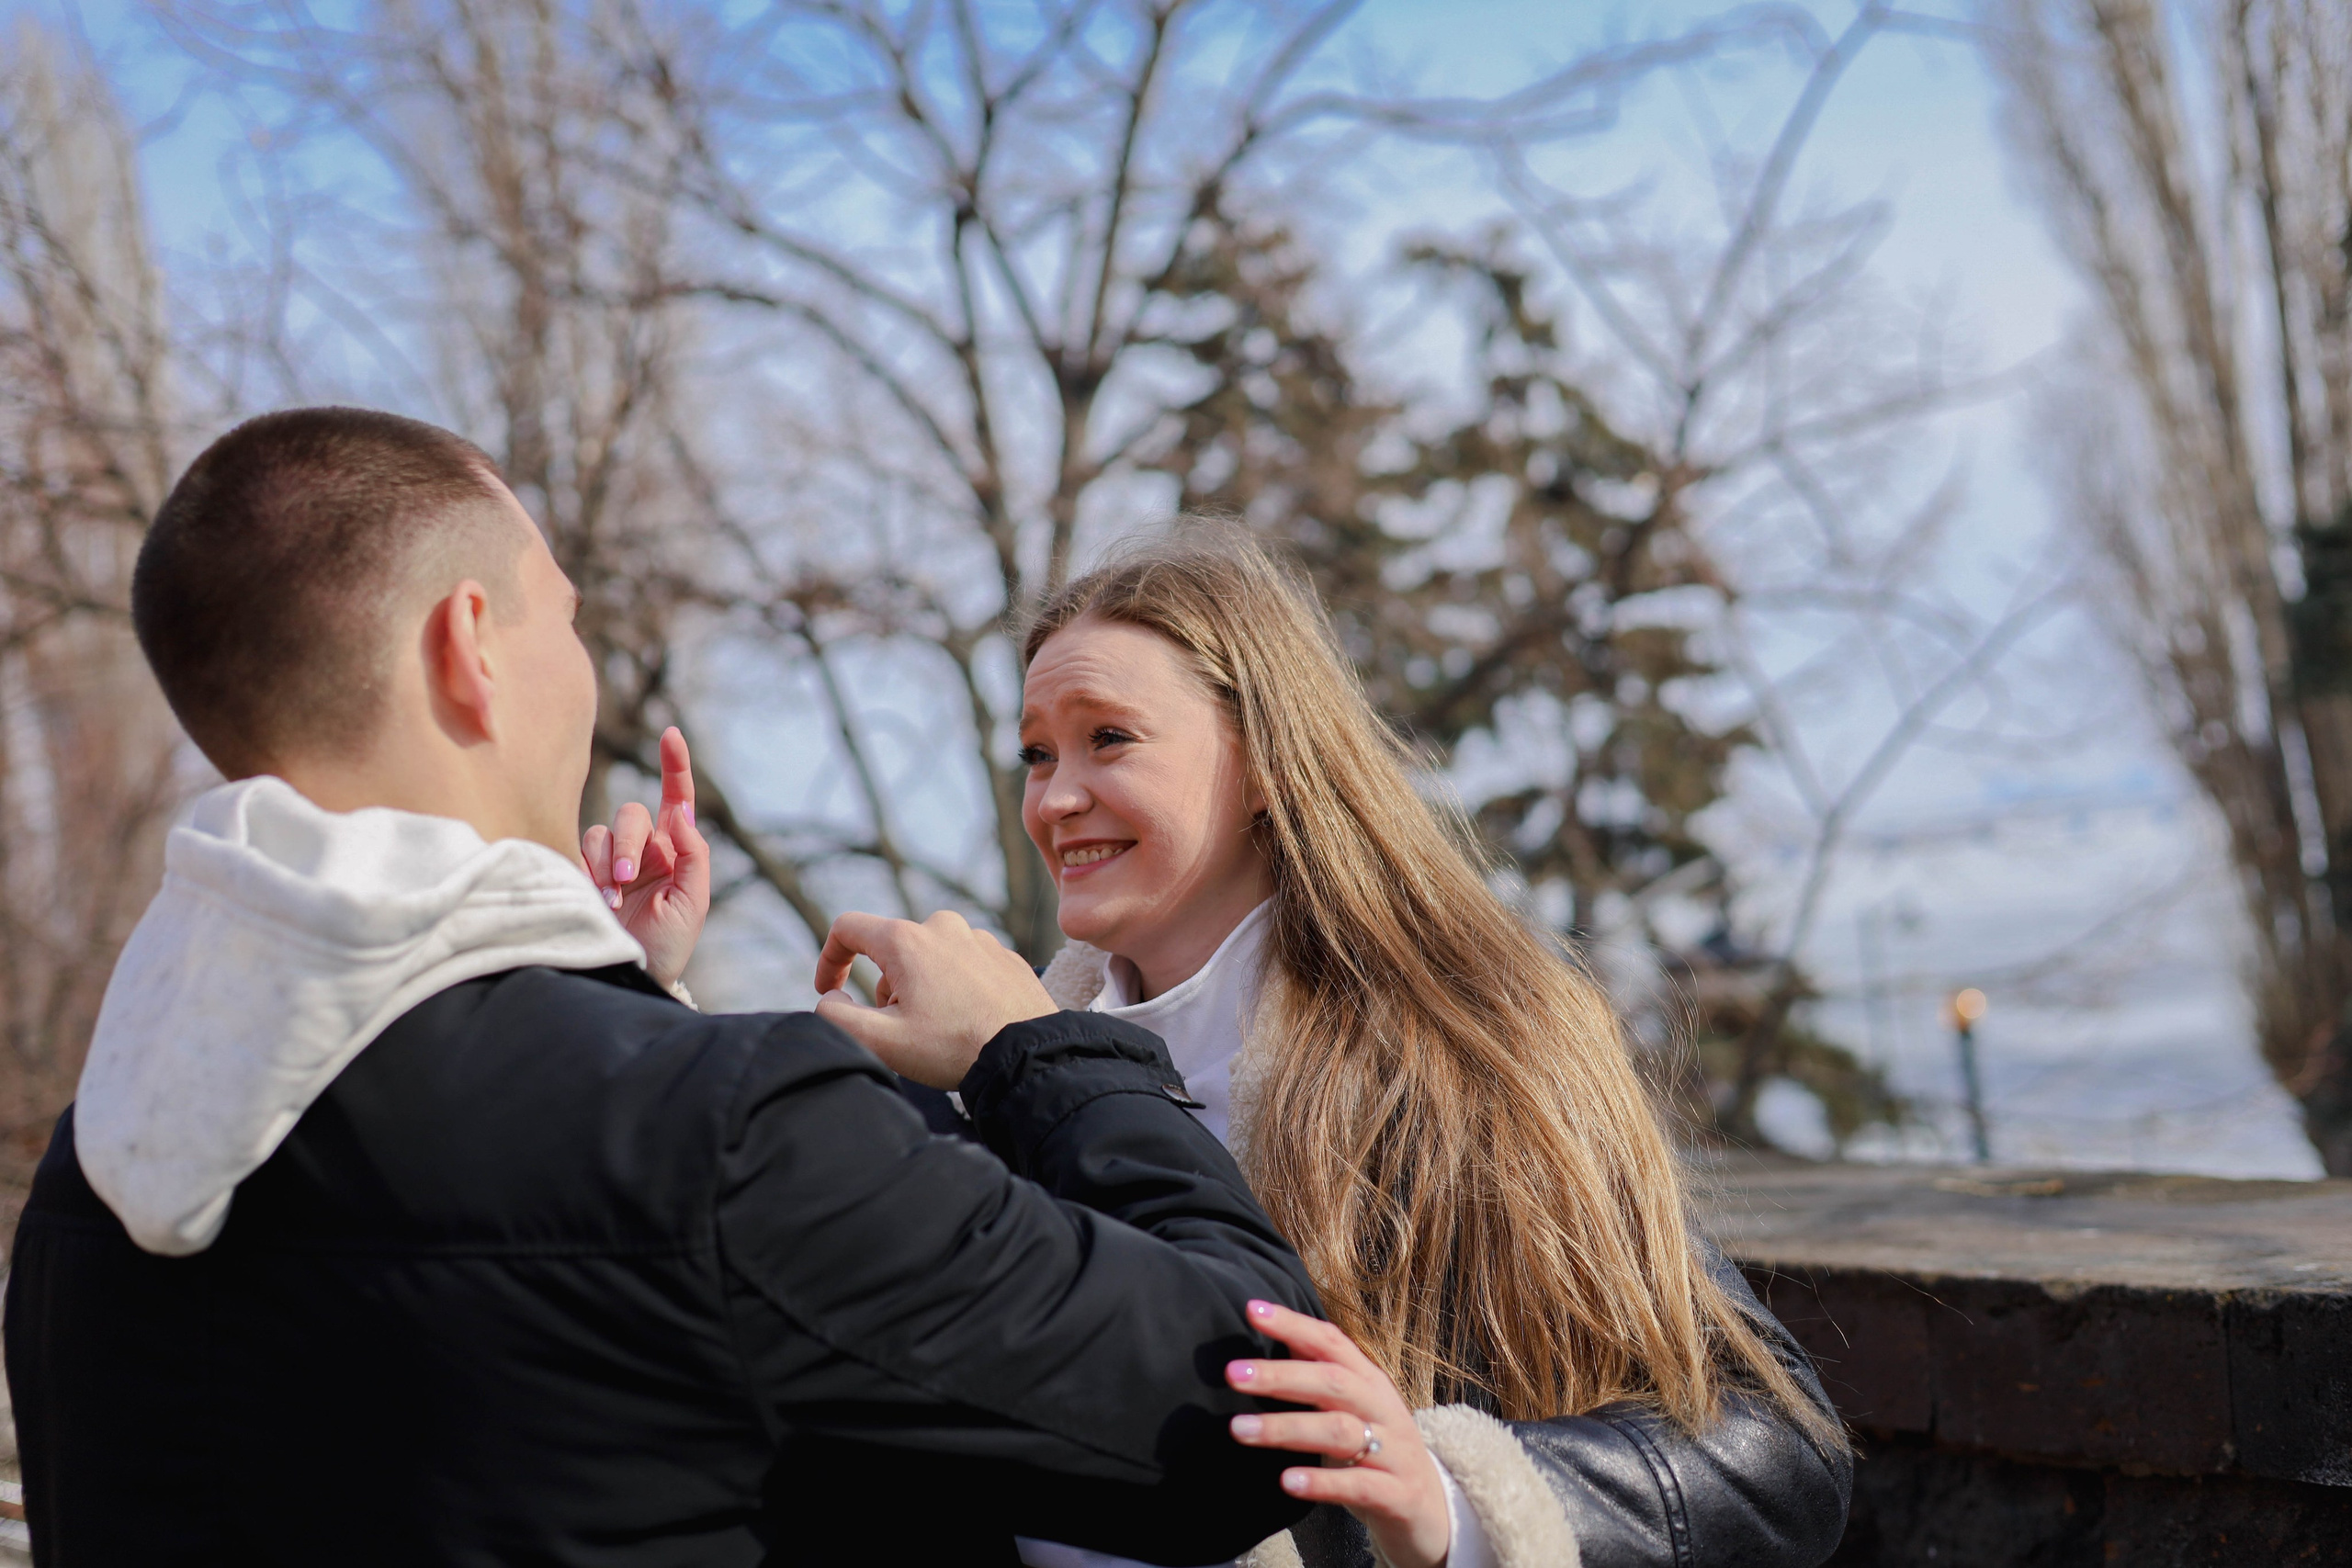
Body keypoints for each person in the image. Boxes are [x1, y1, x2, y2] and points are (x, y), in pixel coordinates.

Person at [3, 410, 1324, 1567]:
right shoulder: (737, 1128)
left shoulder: (91, 1183)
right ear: (470, 643)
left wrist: (624, 1001)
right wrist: (1043, 1049)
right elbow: (1241, 1401)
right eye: (566, 618)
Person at [773, 532, 1853, 1568]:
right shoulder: (991, 1087)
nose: (1054, 799)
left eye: (1109, 738)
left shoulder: (1468, 1060)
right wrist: (635, 979)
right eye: (1035, 753)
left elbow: (1773, 1457)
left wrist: (1449, 1499)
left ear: (1264, 762)